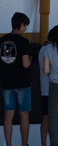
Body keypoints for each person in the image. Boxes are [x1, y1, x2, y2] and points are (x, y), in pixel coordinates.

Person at [1, 12, 32, 146]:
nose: (26, 29)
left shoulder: (1, 41)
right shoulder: (24, 41)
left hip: (6, 83)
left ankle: (8, 144)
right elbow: (25, 64)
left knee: (8, 116)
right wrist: (31, 59)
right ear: (21, 25)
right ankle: (24, 144)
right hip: (22, 84)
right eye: (25, 26)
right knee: (24, 115)